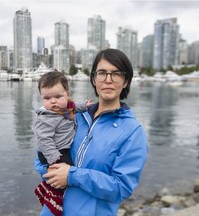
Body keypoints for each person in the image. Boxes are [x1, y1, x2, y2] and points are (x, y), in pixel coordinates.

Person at [34, 48, 149, 216]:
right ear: (94, 79)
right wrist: (52, 172)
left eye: (116, 73)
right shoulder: (74, 116)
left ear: (125, 81)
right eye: (102, 73)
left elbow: (121, 188)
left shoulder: (132, 132)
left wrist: (72, 176)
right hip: (51, 211)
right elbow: (39, 157)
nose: (108, 80)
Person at [33, 71, 93, 216]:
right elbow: (43, 139)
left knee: (66, 173)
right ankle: (52, 194)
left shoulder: (66, 108)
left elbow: (74, 107)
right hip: (52, 152)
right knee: (65, 174)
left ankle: (47, 187)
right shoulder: (47, 117)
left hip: (60, 150)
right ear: (41, 98)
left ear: (67, 94)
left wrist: (85, 105)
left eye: (58, 97)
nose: (53, 101)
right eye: (47, 98)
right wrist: (54, 157)